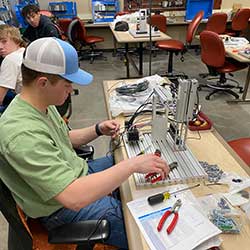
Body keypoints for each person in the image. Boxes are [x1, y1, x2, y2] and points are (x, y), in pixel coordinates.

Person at [0, 37, 170, 249]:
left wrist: (98, 129)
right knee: (144, 227)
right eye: (67, 84)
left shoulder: (39, 102)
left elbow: (62, 139)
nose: (71, 90)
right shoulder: (20, 134)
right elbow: (73, 197)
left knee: (126, 157)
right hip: (60, 208)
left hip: (76, 173)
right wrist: (132, 166)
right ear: (43, 82)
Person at [0, 25, 25, 109]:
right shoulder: (24, 52)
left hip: (29, 107)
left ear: (17, 41)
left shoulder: (11, 59)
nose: (0, 47)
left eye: (4, 41)